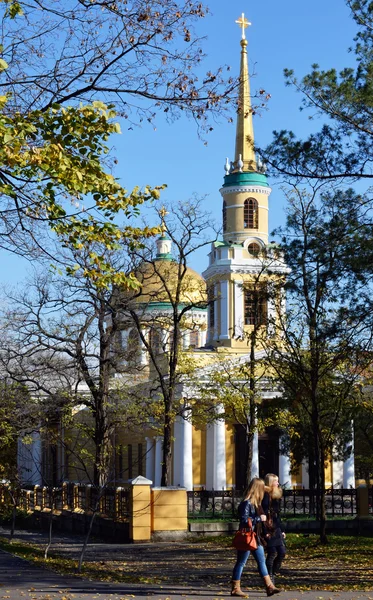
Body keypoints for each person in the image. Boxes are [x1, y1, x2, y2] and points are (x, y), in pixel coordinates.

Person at [231, 477, 281, 597]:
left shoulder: (255, 504)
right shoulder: (246, 503)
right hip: (247, 537)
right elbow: (244, 520)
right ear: (257, 489)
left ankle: (269, 586)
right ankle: (235, 588)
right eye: (261, 489)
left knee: (261, 561)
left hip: (255, 537)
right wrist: (259, 518)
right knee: (241, 562)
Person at [262, 473, 286, 586]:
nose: (278, 483)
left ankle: (273, 573)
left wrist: (282, 530)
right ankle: (269, 577)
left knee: (282, 552)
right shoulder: (265, 495)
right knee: (272, 553)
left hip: (276, 528)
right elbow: (264, 516)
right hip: (268, 528)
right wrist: (265, 532)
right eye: (276, 481)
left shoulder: (275, 495)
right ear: (271, 483)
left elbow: (277, 515)